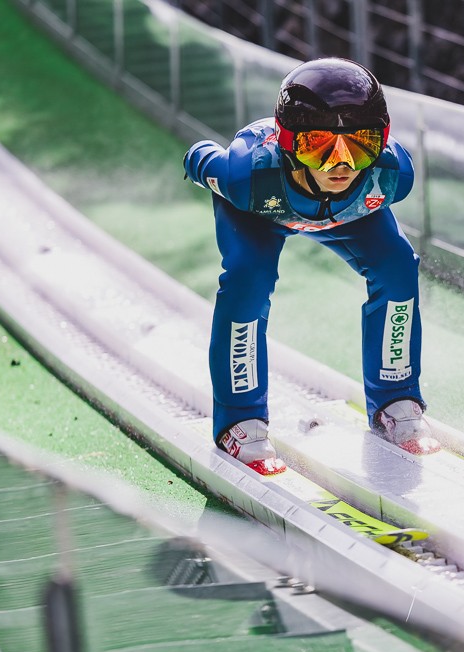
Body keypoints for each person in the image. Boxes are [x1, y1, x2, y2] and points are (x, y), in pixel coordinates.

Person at [183, 57, 438, 475]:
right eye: (318, 146)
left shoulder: (392, 175)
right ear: (288, 144)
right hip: (261, 213)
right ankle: (240, 421)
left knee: (397, 268)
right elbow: (200, 156)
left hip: (351, 215)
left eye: (362, 144)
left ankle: (396, 399)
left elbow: (361, 172)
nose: (341, 164)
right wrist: (197, 161)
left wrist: (336, 153)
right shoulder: (245, 177)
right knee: (248, 279)